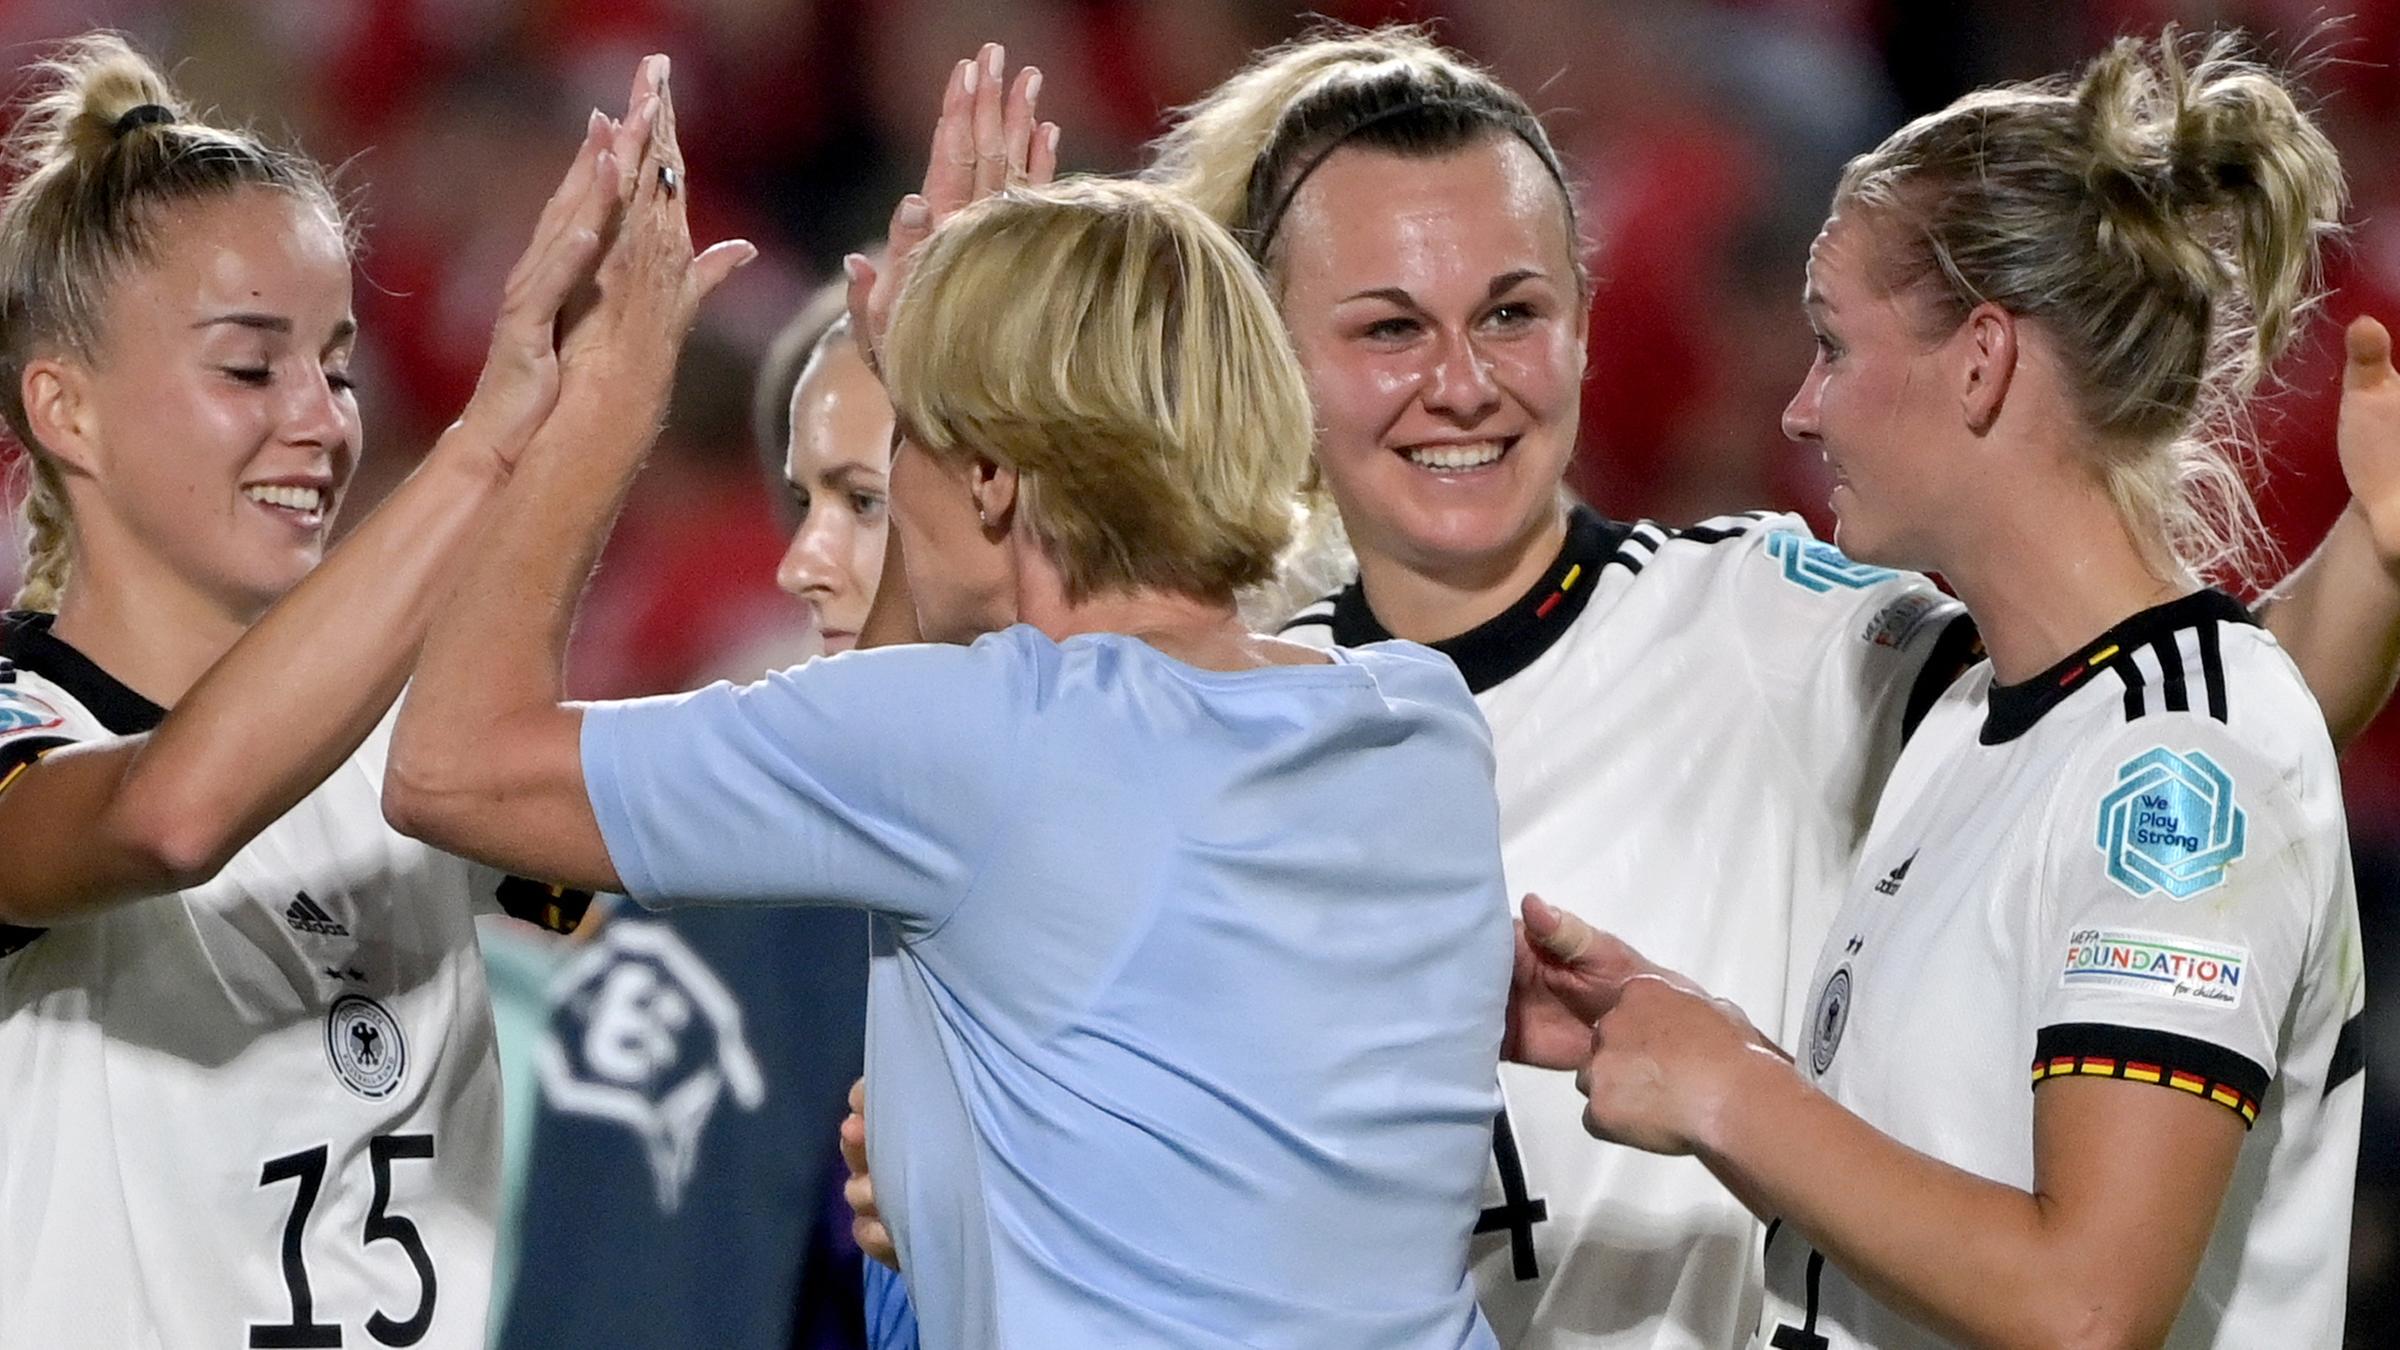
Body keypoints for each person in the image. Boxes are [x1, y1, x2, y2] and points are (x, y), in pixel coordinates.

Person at [827, 26, 2400, 1350]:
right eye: (1388, 328)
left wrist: (2376, 557)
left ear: (1585, 327)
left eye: (1513, 312)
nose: (1462, 383)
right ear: (1274, 354)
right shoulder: (1192, 700)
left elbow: (2145, 751)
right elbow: (924, 883)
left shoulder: (1774, 624)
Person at [379, 58, 1513, 1350]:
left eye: (902, 436)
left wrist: (607, 394)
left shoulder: (985, 746)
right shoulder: (1423, 721)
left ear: (988, 477)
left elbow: (451, 768)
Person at [1516, 29, 2362, 1348]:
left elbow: (2087, 1302)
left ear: (1980, 360)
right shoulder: (1970, 721)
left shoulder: (2187, 757)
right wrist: (1696, 1040)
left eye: (1833, 344)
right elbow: (1940, 1192)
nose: (1801, 409)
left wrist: (1738, 1093)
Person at [0, 35, 663, 1347]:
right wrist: (489, 442)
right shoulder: (29, 726)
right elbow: (169, 815)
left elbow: (725, 926)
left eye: (340, 367)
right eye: (251, 368)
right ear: (66, 413)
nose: (322, 421)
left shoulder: (416, 744)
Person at [495, 277, 886, 1350]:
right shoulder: (748, 894)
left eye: (866, 501)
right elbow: (520, 851)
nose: (808, 562)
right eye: (807, 501)